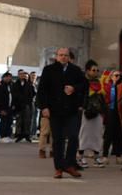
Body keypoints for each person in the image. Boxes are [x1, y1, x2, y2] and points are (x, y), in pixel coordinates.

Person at [38, 48, 87, 179]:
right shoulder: (49, 70)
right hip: (55, 110)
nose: (63, 57)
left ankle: (70, 165)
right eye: (61, 55)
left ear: (69, 57)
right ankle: (59, 167)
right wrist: (44, 107)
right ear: (56, 56)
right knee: (58, 139)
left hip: (71, 110)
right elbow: (42, 90)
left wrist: (74, 88)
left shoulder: (75, 71)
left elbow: (84, 85)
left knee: (73, 136)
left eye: (66, 55)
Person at [78, 60, 107, 167]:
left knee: (97, 134)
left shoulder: (100, 82)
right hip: (87, 111)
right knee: (84, 134)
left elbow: (103, 96)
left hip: (98, 111)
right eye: (93, 70)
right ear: (88, 71)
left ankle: (96, 157)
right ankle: (81, 157)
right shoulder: (83, 82)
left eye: (97, 70)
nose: (96, 72)